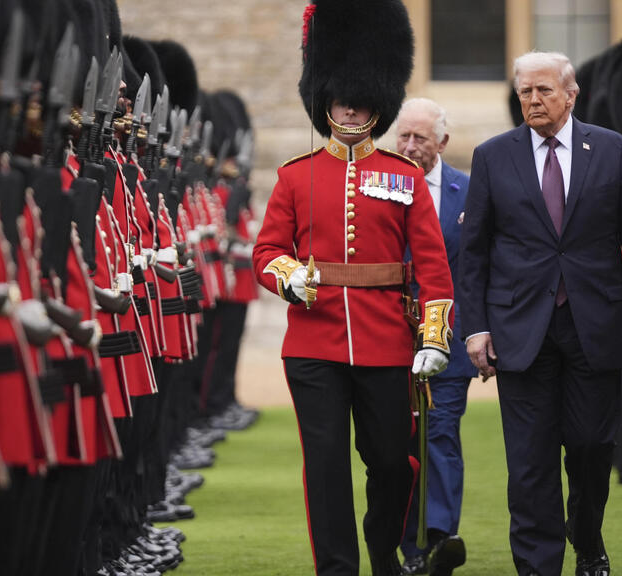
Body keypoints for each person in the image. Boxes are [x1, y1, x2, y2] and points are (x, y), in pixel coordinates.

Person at [251, 2, 454, 575]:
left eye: (362, 97)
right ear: (325, 97)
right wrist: (288, 276)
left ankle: (383, 547)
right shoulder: (295, 175)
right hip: (313, 347)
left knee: (393, 462)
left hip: (386, 341)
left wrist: (434, 337)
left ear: (378, 102)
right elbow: (266, 253)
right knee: (326, 469)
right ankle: (337, 569)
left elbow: (433, 268)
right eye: (341, 95)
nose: (351, 104)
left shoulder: (405, 176)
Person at [459, 51, 622, 576]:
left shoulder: (613, 150)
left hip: (593, 324)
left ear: (571, 95)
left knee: (593, 448)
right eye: (525, 91)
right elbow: (475, 250)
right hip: (519, 330)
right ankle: (538, 566)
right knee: (529, 463)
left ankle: (588, 537)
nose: (533, 100)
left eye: (544, 90)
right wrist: (476, 328)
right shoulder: (492, 156)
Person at [394, 98, 476, 576]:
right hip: (391, 337)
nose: (409, 146)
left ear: (441, 142)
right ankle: (407, 543)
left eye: (419, 138)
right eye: (403, 136)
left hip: (447, 339)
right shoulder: (378, 187)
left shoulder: (467, 191)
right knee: (400, 444)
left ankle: (439, 538)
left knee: (441, 436)